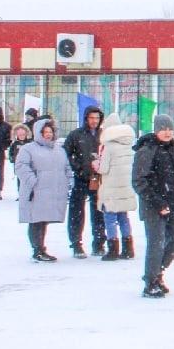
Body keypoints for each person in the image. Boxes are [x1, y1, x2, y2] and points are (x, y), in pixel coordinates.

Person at [133, 114, 174, 298]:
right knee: (156, 243)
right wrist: (158, 202)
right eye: (163, 129)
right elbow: (139, 181)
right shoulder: (147, 149)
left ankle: (158, 272)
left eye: (170, 129)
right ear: (156, 130)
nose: (167, 133)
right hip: (153, 205)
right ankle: (150, 282)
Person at [16, 118, 68, 261]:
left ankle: (41, 247)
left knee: (43, 220)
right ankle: (37, 249)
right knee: (36, 220)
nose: (48, 134)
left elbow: (66, 168)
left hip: (52, 191)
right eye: (44, 132)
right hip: (36, 191)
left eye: (50, 131)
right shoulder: (28, 149)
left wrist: (67, 181)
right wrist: (33, 181)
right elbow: (21, 167)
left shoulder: (59, 150)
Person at [63, 105, 105, 257]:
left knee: (99, 211)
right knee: (76, 212)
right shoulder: (76, 135)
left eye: (97, 118)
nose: (94, 121)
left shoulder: (104, 135)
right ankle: (76, 244)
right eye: (91, 118)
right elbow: (66, 154)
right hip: (81, 178)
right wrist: (78, 168)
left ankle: (99, 243)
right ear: (86, 118)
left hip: (99, 178)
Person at [95, 114, 137, 261]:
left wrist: (96, 164)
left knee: (110, 218)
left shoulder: (108, 147)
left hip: (111, 188)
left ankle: (113, 249)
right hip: (125, 187)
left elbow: (103, 169)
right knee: (123, 218)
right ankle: (128, 248)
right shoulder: (128, 145)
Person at [8, 123, 31, 199]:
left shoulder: (29, 143)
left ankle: (28, 194)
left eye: (23, 135)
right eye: (19, 135)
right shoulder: (15, 144)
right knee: (19, 180)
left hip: (28, 165)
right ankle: (20, 194)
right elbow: (11, 153)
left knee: (27, 180)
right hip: (18, 165)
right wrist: (12, 158)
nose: (21, 136)